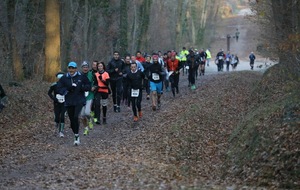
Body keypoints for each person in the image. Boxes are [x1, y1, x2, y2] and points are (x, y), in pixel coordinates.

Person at [57, 62, 91, 145]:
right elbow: (59, 88)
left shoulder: (81, 76)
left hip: (79, 100)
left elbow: (88, 85)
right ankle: (76, 134)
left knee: (76, 117)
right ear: (68, 69)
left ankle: (76, 137)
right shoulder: (64, 78)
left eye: (73, 68)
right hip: (69, 101)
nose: (71, 70)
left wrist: (83, 88)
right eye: (70, 68)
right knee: (72, 120)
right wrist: (67, 89)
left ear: (76, 69)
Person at [48, 72, 66, 137]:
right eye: (59, 78)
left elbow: (70, 92)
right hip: (56, 103)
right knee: (57, 117)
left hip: (64, 103)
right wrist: (54, 98)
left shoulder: (67, 85)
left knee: (62, 116)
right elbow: (49, 93)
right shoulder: (54, 85)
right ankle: (56, 123)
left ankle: (61, 131)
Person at [80, 61, 95, 136]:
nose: (85, 68)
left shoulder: (91, 74)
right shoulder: (79, 75)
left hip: (90, 95)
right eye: (84, 67)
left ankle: (90, 120)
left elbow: (96, 83)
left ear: (88, 68)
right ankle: (86, 128)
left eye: (86, 67)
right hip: (82, 96)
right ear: (82, 68)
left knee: (87, 112)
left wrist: (94, 87)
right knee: (82, 115)